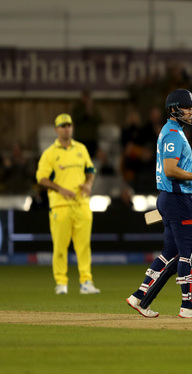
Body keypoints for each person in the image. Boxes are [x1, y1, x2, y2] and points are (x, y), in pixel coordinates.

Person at [126, 89, 192, 318]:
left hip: (174, 197)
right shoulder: (172, 133)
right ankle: (188, 307)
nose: (191, 112)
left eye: (191, 108)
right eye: (187, 108)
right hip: (177, 200)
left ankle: (139, 296)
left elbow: (176, 173)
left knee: (170, 251)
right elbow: (170, 170)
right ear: (173, 110)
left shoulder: (173, 131)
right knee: (188, 252)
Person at [35, 113, 101, 295]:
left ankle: (86, 281)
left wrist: (88, 184)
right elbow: (41, 178)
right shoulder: (50, 153)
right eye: (63, 126)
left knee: (84, 246)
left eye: (69, 125)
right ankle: (61, 283)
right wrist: (60, 189)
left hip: (81, 204)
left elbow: (90, 170)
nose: (66, 128)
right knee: (60, 246)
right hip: (60, 206)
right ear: (56, 129)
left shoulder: (81, 148)